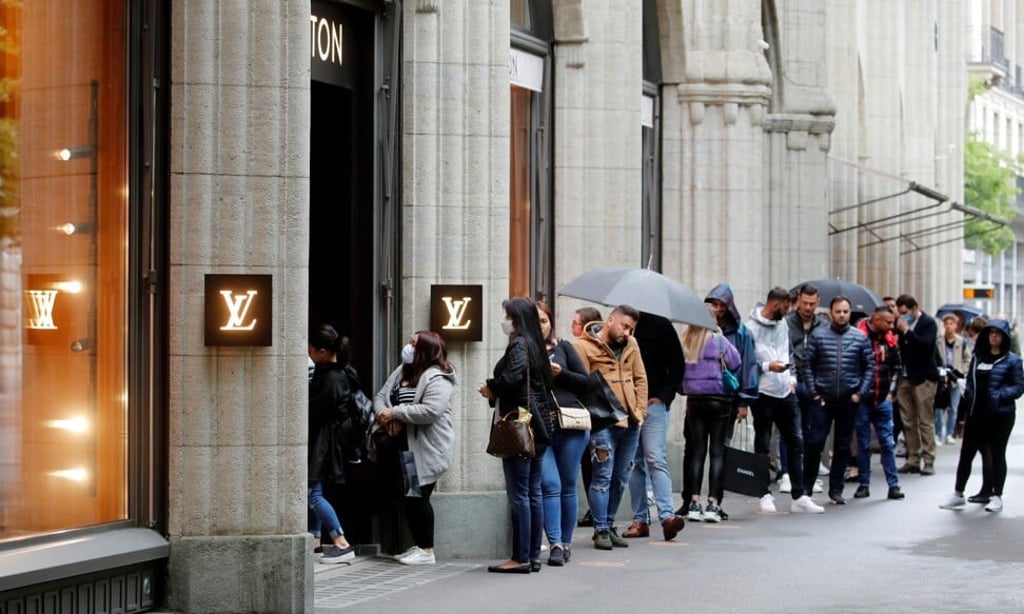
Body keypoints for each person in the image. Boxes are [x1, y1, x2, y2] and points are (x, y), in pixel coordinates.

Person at [479, 297, 555, 573]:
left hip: (521, 424)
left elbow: (511, 380)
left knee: (520, 493)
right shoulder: (536, 345)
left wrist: (491, 388)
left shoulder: (520, 344)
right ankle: (532, 555)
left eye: (508, 316)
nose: (505, 320)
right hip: (538, 424)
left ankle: (520, 557)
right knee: (533, 491)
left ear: (517, 319)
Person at [374, 330, 456, 566]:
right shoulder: (402, 370)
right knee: (411, 495)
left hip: (426, 447)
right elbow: (382, 395)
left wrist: (396, 413)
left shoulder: (437, 377)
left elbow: (431, 410)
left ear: (426, 350)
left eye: (413, 344)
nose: (408, 347)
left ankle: (427, 549)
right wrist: (383, 414)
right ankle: (420, 546)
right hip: (402, 445)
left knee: (419, 496)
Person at [574, 305, 649, 549]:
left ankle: (609, 522)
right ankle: (601, 529)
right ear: (610, 321)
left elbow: (640, 378)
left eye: (631, 328)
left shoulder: (632, 345)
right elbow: (580, 383)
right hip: (602, 421)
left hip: (630, 421)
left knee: (621, 478)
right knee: (602, 476)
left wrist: (640, 412)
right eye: (624, 326)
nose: (627, 332)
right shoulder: (584, 346)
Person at [746, 287, 823, 514]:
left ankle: (799, 495)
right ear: (776, 304)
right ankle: (764, 493)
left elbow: (787, 351)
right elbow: (747, 362)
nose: (789, 311)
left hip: (785, 390)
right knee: (763, 443)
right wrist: (769, 366)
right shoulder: (750, 328)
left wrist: (792, 377)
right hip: (763, 392)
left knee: (796, 441)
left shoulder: (782, 325)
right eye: (787, 307)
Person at [939, 319, 1024, 513]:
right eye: (990, 332)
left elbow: (1019, 387)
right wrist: (968, 397)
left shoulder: (1012, 360)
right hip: (976, 413)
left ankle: (997, 495)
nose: (993, 336)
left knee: (996, 453)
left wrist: (1000, 395)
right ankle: (958, 494)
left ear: (1004, 336)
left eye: (998, 333)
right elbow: (970, 382)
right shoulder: (979, 357)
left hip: (1000, 415)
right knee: (966, 454)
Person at [800, 296, 874, 505]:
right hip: (823, 399)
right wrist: (814, 392)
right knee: (815, 444)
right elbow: (807, 364)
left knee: (842, 446)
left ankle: (836, 489)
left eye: (845, 311)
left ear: (850, 313)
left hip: (848, 399)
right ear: (831, 312)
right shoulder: (818, 336)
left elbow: (869, 367)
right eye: (838, 311)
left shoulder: (859, 338)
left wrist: (860, 393)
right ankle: (806, 487)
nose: (842, 315)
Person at [622, 312, 686, 540]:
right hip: (628, 404)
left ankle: (667, 516)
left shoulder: (660, 325)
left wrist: (664, 396)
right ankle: (640, 520)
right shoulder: (620, 325)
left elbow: (678, 365)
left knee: (655, 456)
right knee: (633, 462)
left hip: (653, 403)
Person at [536, 301, 591, 565]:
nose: (540, 326)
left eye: (544, 321)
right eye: (535, 321)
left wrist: (562, 373)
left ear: (551, 323)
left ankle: (566, 542)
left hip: (570, 424)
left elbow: (586, 383)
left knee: (568, 484)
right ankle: (555, 543)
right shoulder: (523, 350)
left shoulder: (564, 348)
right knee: (549, 483)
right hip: (539, 426)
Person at [307, 323, 359, 564]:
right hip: (327, 440)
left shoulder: (332, 377)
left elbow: (314, 409)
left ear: (322, 350)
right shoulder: (339, 372)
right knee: (315, 490)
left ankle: (341, 542)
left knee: (313, 493)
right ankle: (315, 543)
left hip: (323, 441)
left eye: (310, 347)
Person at [679, 323, 741, 522]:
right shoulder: (719, 341)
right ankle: (713, 504)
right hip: (719, 400)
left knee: (697, 452)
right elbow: (736, 362)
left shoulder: (686, 341)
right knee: (717, 452)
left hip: (695, 401)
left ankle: (694, 503)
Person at [853, 306, 905, 500]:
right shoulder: (859, 337)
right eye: (888, 322)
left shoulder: (890, 341)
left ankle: (893, 484)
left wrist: (891, 393)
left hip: (882, 398)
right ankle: (864, 483)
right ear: (876, 320)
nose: (892, 326)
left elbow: (897, 368)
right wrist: (857, 392)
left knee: (887, 442)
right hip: (864, 399)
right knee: (864, 443)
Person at [785, 283, 830, 491]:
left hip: (815, 383)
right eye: (804, 303)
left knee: (813, 431)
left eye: (812, 304)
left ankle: (807, 474)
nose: (808, 307)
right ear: (798, 301)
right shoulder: (787, 323)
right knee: (792, 431)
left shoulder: (822, 326)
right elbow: (784, 351)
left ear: (818, 302)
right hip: (793, 382)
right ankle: (788, 473)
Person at [894, 295, 940, 475]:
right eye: (900, 313)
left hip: (923, 378)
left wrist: (907, 331)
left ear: (914, 308)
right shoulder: (899, 326)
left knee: (925, 420)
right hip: (905, 377)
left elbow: (926, 347)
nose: (903, 316)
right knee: (908, 420)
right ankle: (913, 458)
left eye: (905, 313)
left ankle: (929, 459)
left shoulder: (928, 323)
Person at [570, 306, 603, 529]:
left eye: (576, 323)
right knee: (589, 463)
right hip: (589, 410)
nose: (572, 326)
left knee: (593, 464)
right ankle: (596, 511)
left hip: (591, 411)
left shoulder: (583, 348)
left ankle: (598, 512)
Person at [935, 313, 971, 445]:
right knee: (939, 407)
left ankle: (949, 433)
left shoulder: (962, 342)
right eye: (946, 324)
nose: (949, 326)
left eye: (951, 324)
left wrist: (962, 370)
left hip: (956, 378)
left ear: (956, 326)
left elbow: (968, 359)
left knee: (953, 407)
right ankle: (938, 433)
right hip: (942, 377)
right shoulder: (938, 341)